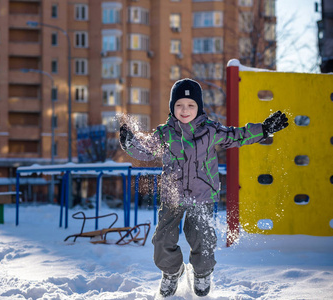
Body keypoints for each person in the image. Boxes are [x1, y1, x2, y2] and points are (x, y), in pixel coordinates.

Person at [119, 78, 288, 297]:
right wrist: (130, 142)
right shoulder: (165, 133)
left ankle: (202, 273)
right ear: (172, 108)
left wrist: (264, 129)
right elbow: (147, 149)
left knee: (202, 237)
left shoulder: (210, 130)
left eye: (191, 105)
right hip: (173, 195)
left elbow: (237, 136)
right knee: (162, 239)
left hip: (203, 194)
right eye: (179, 105)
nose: (185, 110)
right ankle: (172, 272)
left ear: (199, 107)